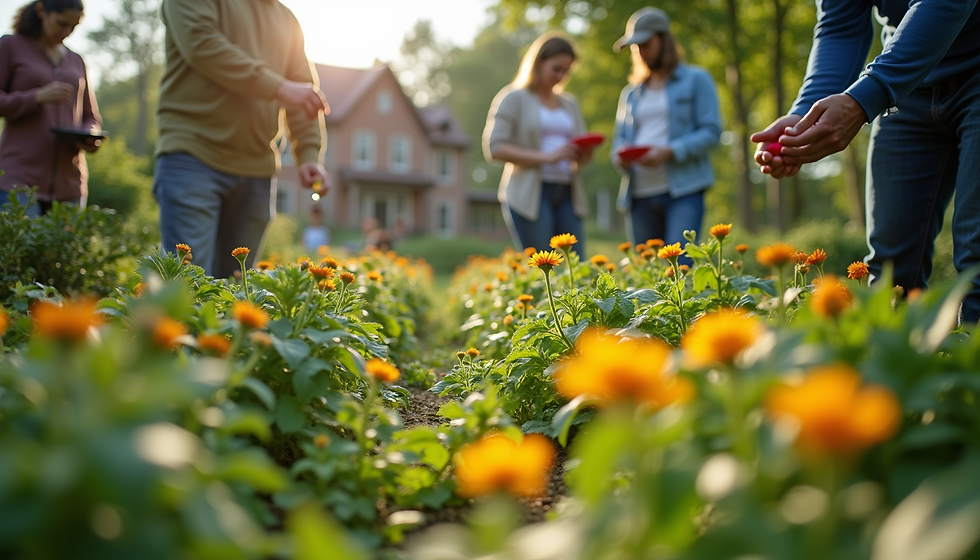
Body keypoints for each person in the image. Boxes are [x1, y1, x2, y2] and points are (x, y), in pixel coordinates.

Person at [750, 1, 980, 324]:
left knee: (977, 255)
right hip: (907, 87)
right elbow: (840, 26)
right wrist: (804, 115)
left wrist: (867, 95)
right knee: (890, 272)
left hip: (932, 72)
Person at [154, 0, 329, 278]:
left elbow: (303, 93)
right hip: (193, 157)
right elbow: (204, 47)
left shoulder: (286, 19)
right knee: (188, 286)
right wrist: (279, 87)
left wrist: (309, 154)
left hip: (256, 171)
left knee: (237, 291)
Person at [611, 7, 721, 253]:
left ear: (664, 39)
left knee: (679, 265)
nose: (640, 52)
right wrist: (622, 156)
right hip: (637, 195)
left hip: (683, 192)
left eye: (646, 44)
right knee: (647, 275)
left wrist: (669, 151)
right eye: (635, 47)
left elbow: (711, 131)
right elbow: (619, 140)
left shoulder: (697, 79)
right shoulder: (630, 94)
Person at [483, 32, 593, 255]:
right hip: (529, 195)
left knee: (577, 265)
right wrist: (548, 157)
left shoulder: (569, 104)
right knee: (542, 266)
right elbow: (495, 148)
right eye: (556, 68)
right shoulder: (513, 98)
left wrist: (584, 152)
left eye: (566, 71)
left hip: (567, 192)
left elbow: (582, 154)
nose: (561, 76)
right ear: (539, 62)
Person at [0, 0, 101, 217]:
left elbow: (90, 117)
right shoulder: (10, 46)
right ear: (41, 10)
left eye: (73, 27)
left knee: (65, 252)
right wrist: (36, 96)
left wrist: (90, 135)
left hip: (70, 186)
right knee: (22, 251)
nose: (66, 32)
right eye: (61, 23)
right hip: (19, 183)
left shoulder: (76, 61)